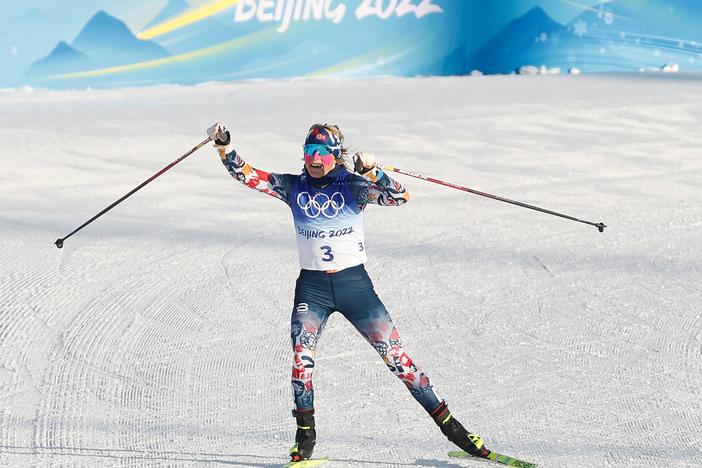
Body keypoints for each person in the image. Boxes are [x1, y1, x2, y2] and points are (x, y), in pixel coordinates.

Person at [206, 122, 491, 463]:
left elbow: (399, 196)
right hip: (313, 289)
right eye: (309, 152)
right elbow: (247, 175)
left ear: (335, 156)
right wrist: (224, 147)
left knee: (398, 361)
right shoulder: (292, 186)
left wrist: (374, 172)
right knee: (301, 361)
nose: (314, 159)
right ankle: (305, 438)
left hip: (355, 288)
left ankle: (455, 430)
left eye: (322, 153)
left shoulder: (352, 185)